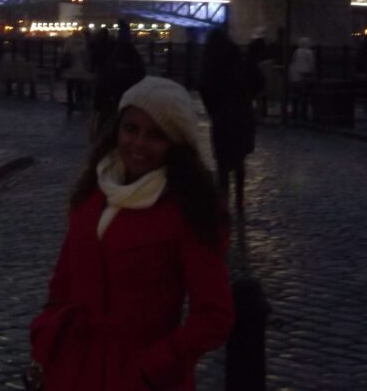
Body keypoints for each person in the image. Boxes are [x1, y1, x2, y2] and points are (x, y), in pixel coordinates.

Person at [30, 77, 234, 390]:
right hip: (72, 368)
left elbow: (214, 316)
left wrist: (153, 367)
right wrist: (46, 332)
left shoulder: (188, 212)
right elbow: (63, 281)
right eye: (131, 129)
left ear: (175, 144)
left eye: (155, 135)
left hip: (135, 374)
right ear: (117, 129)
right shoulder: (93, 192)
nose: (138, 144)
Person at [199, 26, 264, 212]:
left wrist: (214, 109)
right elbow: (259, 81)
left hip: (222, 117)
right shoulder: (241, 60)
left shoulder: (211, 63)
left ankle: (224, 203)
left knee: (222, 163)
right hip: (243, 114)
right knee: (239, 160)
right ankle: (240, 201)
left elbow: (204, 88)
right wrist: (247, 97)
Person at [287, 37, 315, 120]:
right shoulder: (309, 52)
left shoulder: (296, 52)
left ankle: (295, 114)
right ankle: (303, 115)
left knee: (295, 97)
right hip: (304, 76)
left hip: (294, 77)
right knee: (304, 97)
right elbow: (311, 64)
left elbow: (293, 62)